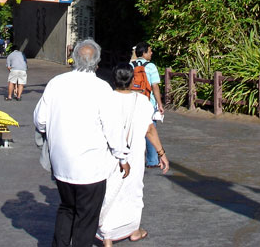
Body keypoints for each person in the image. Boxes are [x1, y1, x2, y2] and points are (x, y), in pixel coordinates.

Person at [34, 39, 130, 247]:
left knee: (67, 208)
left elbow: (40, 120)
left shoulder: (56, 83)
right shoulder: (101, 88)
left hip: (60, 163)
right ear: (97, 62)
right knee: (86, 216)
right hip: (91, 166)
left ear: (74, 58)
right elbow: (113, 128)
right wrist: (122, 157)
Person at [97, 63, 169, 246]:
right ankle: (134, 230)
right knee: (133, 191)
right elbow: (150, 130)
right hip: (134, 155)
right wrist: (161, 153)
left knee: (109, 191)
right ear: (132, 80)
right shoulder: (142, 101)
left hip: (109, 154)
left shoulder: (105, 99)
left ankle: (107, 235)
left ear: (113, 80)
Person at [132, 42, 165, 168]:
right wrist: (159, 104)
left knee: (134, 131)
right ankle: (152, 161)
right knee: (151, 129)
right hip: (148, 103)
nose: (151, 53)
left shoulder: (130, 65)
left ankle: (135, 158)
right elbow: (155, 86)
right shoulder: (151, 66)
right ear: (144, 53)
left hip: (133, 101)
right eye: (150, 51)